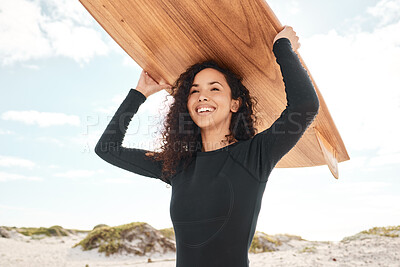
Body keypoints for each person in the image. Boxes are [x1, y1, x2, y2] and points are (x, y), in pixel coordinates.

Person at [95, 25, 320, 267]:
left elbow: (304, 105)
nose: (203, 96)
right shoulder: (177, 165)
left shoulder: (256, 155)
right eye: (194, 91)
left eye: (215, 88)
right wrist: (139, 93)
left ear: (235, 104)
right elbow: (107, 148)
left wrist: (282, 48)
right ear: (187, 104)